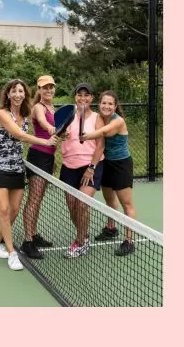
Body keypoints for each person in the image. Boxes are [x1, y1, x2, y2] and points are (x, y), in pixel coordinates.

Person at [0, 79, 57, 271]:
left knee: (14, 210)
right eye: (14, 91)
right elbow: (21, 136)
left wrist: (55, 135)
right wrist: (46, 142)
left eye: (21, 91)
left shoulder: (24, 114)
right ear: (7, 94)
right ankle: (12, 253)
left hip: (16, 166)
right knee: (5, 209)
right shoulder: (2, 114)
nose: (18, 94)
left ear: (25, 94)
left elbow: (43, 124)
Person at [80, 91, 136, 256]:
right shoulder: (99, 117)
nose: (106, 106)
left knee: (127, 204)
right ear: (100, 104)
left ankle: (129, 240)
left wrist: (86, 136)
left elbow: (104, 133)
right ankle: (111, 228)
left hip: (121, 165)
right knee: (109, 201)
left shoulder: (118, 121)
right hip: (106, 164)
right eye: (104, 103)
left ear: (115, 106)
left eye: (110, 104)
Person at [59, 83, 105, 258]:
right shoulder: (68, 115)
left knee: (82, 204)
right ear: (75, 97)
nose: (83, 98)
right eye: (80, 95)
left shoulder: (97, 118)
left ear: (92, 98)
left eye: (87, 95)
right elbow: (57, 135)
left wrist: (91, 168)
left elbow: (101, 145)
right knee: (72, 205)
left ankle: (81, 241)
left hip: (91, 166)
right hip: (69, 166)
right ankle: (83, 235)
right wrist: (60, 135)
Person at [20, 75, 57, 259]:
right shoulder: (38, 108)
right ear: (39, 90)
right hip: (38, 157)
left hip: (48, 158)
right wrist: (52, 129)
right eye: (45, 88)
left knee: (39, 198)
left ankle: (34, 234)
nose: (48, 90)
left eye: (51, 87)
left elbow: (57, 136)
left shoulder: (52, 107)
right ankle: (27, 242)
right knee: (34, 199)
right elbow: (43, 123)